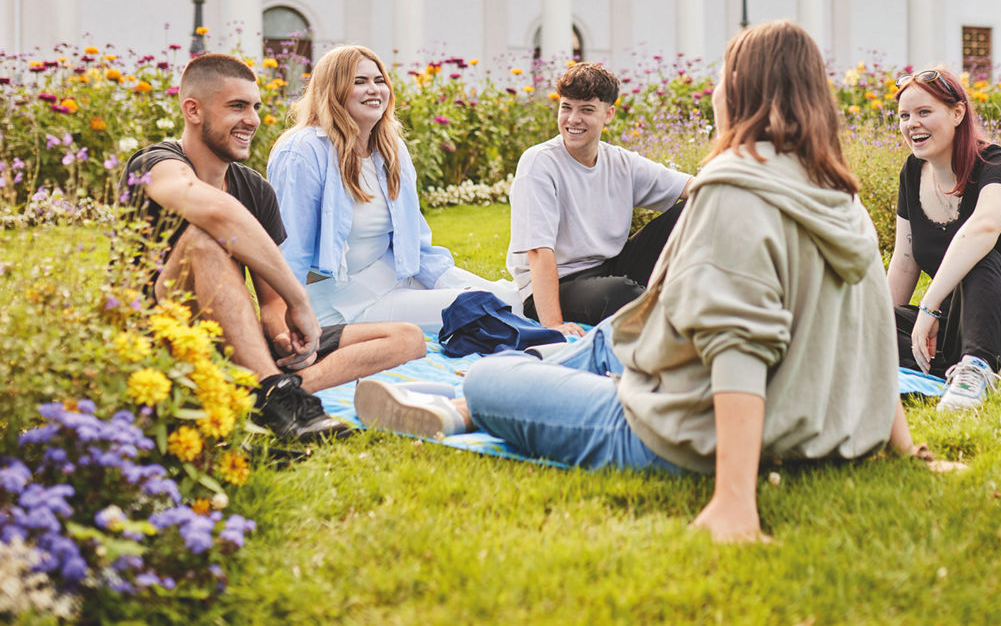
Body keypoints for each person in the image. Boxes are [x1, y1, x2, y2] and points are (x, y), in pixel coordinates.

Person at [357, 21, 925, 543]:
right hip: (796, 419)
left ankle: (464, 404)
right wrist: (902, 446)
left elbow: (738, 343)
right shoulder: (837, 193)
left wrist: (734, 501)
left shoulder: (733, 192)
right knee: (612, 335)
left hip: (676, 429)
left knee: (490, 376)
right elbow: (870, 320)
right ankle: (460, 405)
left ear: (737, 92)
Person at [120, 53, 425, 441]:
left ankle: (275, 393)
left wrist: (284, 334)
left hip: (232, 336)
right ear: (193, 110)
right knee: (204, 240)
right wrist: (300, 299)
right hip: (161, 335)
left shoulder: (255, 189)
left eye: (255, 107)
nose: (252, 119)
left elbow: (269, 302)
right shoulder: (155, 163)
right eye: (236, 107)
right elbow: (216, 213)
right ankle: (275, 396)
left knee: (406, 338)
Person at [267, 45, 516, 337]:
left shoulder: (390, 148)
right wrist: (289, 323)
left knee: (513, 299)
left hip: (392, 276)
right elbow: (289, 249)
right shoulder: (304, 151)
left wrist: (454, 281)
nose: (374, 90)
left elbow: (416, 245)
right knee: (483, 309)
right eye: (359, 82)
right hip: (343, 303)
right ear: (333, 91)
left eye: (379, 80)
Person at [887, 67, 1001, 412]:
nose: (911, 124)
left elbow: (983, 229)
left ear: (957, 112)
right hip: (953, 321)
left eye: (924, 112)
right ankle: (974, 359)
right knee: (860, 325)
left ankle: (975, 369)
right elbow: (905, 260)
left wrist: (928, 307)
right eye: (905, 115)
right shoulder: (911, 172)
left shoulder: (995, 163)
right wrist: (879, 319)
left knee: (980, 254)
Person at [507, 62, 692, 335]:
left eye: (587, 109)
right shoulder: (539, 163)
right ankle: (685, 321)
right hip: (557, 284)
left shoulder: (619, 161)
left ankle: (721, 290)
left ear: (609, 114)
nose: (572, 119)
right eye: (566, 107)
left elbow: (691, 186)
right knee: (619, 293)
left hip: (609, 268)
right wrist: (554, 326)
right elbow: (538, 251)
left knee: (698, 206)